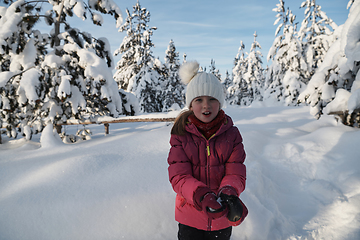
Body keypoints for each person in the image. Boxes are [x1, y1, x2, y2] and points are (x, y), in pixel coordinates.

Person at [167, 61, 248, 240]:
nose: (206, 105)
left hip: (221, 217)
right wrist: (200, 195)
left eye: (212, 99)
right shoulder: (181, 135)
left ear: (220, 103)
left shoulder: (231, 134)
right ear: (190, 105)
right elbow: (178, 176)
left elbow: (236, 170)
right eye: (199, 100)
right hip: (190, 216)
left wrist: (229, 191)